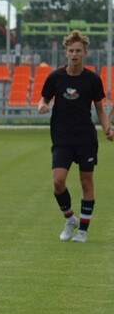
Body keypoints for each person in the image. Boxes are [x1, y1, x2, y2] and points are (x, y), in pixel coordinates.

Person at [37, 30, 113, 243]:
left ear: (85, 53)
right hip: (62, 138)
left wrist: (107, 128)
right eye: (71, 50)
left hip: (85, 139)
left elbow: (99, 109)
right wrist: (42, 106)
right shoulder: (55, 77)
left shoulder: (93, 80)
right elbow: (43, 100)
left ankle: (83, 231)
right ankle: (70, 220)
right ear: (65, 52)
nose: (74, 54)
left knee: (86, 182)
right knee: (58, 182)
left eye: (78, 50)